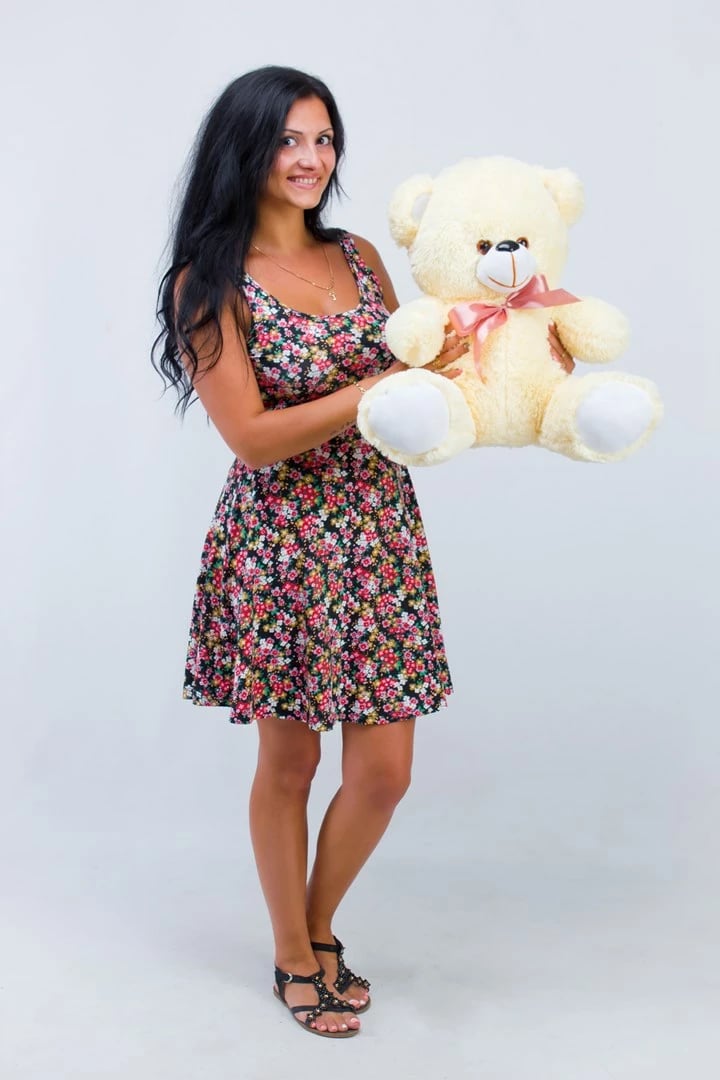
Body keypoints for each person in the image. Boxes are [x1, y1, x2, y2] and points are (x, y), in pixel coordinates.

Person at [152, 65, 574, 1039]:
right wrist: (378, 392)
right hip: (280, 539)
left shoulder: (361, 255)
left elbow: (421, 370)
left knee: (385, 772)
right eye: (288, 140)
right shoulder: (206, 282)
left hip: (379, 528)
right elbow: (252, 437)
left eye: (323, 138)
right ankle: (296, 956)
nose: (310, 159)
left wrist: (513, 359)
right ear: (245, 151)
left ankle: (315, 924)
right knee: (292, 760)